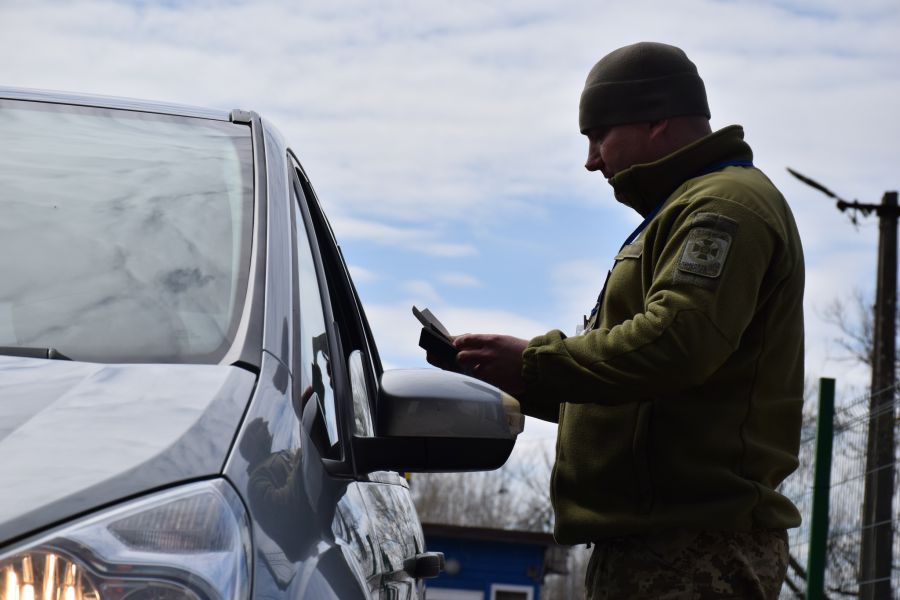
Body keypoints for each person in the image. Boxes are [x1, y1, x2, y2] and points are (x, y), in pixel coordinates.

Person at [432, 42, 805, 599]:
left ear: (656, 120)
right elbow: (638, 392)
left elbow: (675, 345)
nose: (591, 159)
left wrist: (538, 360)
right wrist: (520, 377)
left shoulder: (724, 206)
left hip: (695, 549)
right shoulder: (683, 209)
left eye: (598, 135)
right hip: (661, 543)